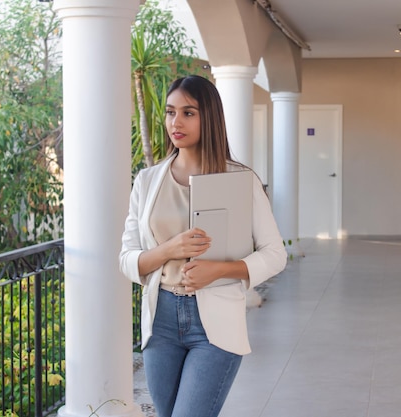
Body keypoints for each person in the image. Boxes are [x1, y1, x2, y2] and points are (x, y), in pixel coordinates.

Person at [119, 74, 287, 417]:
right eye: (169, 112)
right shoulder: (148, 181)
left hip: (214, 327)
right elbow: (127, 260)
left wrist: (219, 270)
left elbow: (275, 254)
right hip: (161, 322)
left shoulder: (241, 181)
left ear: (208, 117)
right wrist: (170, 249)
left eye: (188, 113)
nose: (175, 122)